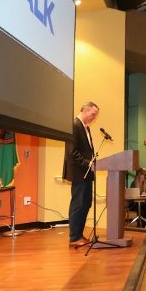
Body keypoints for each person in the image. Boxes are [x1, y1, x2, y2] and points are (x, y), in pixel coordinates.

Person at [65, 101, 99, 248]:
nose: (94, 118)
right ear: (85, 111)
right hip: (79, 172)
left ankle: (79, 235)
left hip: (86, 172)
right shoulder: (74, 125)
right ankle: (74, 237)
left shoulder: (85, 127)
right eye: (93, 114)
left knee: (86, 203)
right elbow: (72, 151)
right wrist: (87, 163)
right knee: (78, 204)